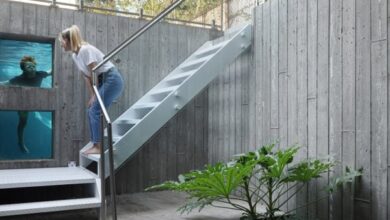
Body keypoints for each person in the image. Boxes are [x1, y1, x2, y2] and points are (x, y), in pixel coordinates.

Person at [59, 25, 124, 154]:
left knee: (94, 110)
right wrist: (92, 95)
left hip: (111, 79)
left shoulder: (84, 50)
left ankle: (98, 147)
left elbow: (94, 71)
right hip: (101, 81)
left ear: (69, 40)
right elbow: (87, 77)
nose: (61, 44)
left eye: (62, 41)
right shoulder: (75, 56)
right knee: (93, 109)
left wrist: (95, 95)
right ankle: (98, 144)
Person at [0, 56, 51, 152]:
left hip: (36, 100)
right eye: (29, 66)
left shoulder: (39, 74)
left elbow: (50, 71)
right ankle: (21, 142)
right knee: (23, 123)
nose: (32, 68)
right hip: (23, 102)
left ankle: (37, 114)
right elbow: (4, 83)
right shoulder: (19, 78)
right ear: (23, 69)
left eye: (33, 66)